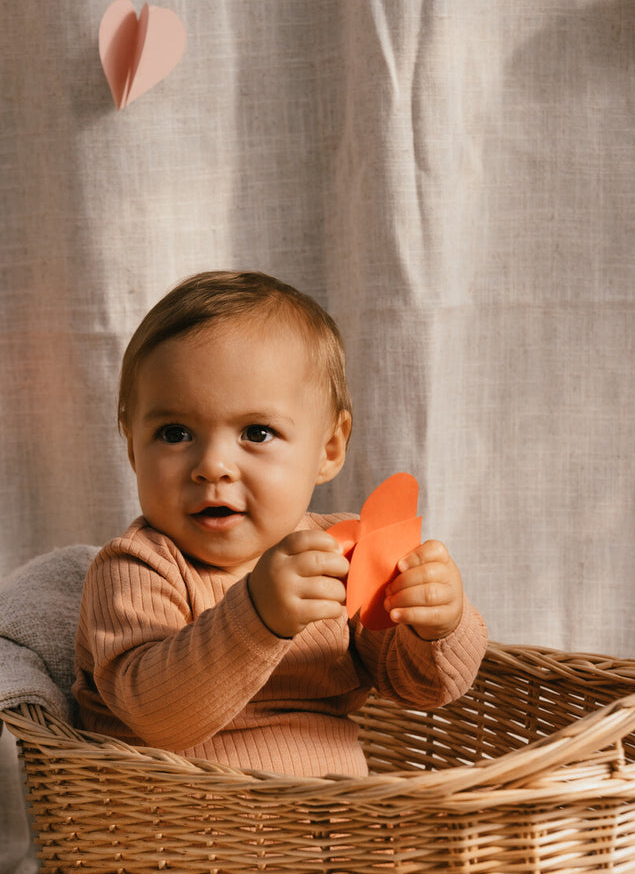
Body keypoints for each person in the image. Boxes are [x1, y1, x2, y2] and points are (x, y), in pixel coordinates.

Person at [73, 271, 487, 777]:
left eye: (257, 432)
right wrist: (257, 617)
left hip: (332, 819)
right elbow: (155, 716)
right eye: (175, 433)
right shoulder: (137, 567)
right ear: (134, 448)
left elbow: (422, 689)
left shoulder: (342, 554)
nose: (213, 466)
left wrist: (436, 626)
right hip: (183, 821)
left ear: (328, 449)